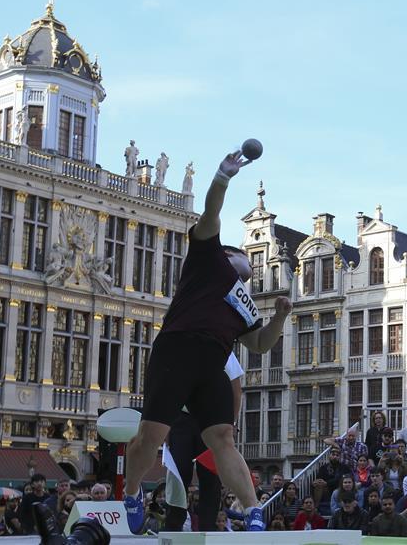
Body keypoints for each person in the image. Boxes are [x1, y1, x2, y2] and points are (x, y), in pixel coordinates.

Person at [123, 150, 291, 534]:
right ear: (228, 254)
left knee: (223, 437)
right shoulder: (206, 257)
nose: (250, 262)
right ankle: (132, 492)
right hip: (178, 349)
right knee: (152, 436)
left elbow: (261, 344)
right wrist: (223, 176)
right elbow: (212, 212)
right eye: (243, 255)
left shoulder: (244, 300)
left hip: (213, 362)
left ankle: (252, 512)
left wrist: (280, 316)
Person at [165, 352, 244, 533]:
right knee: (177, 473)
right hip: (182, 419)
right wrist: (166, 426)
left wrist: (230, 423)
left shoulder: (224, 350)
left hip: (212, 418)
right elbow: (169, 391)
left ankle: (207, 529)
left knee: (210, 477)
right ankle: (172, 527)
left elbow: (236, 390)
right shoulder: (179, 350)